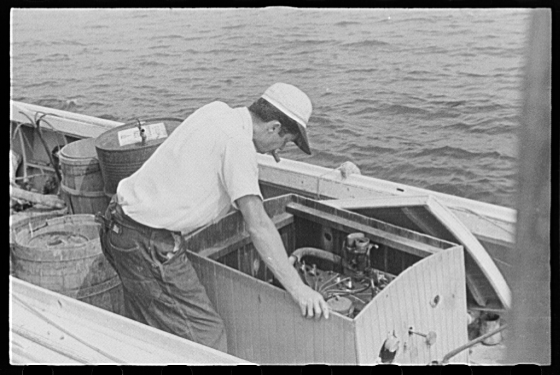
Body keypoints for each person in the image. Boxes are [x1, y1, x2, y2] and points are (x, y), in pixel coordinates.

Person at [96, 83, 330, 353]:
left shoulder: (217, 111)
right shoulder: (238, 143)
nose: (278, 153)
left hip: (117, 226)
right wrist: (299, 289)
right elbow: (259, 224)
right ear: (273, 127)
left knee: (151, 329)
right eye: (284, 142)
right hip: (146, 245)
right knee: (208, 338)